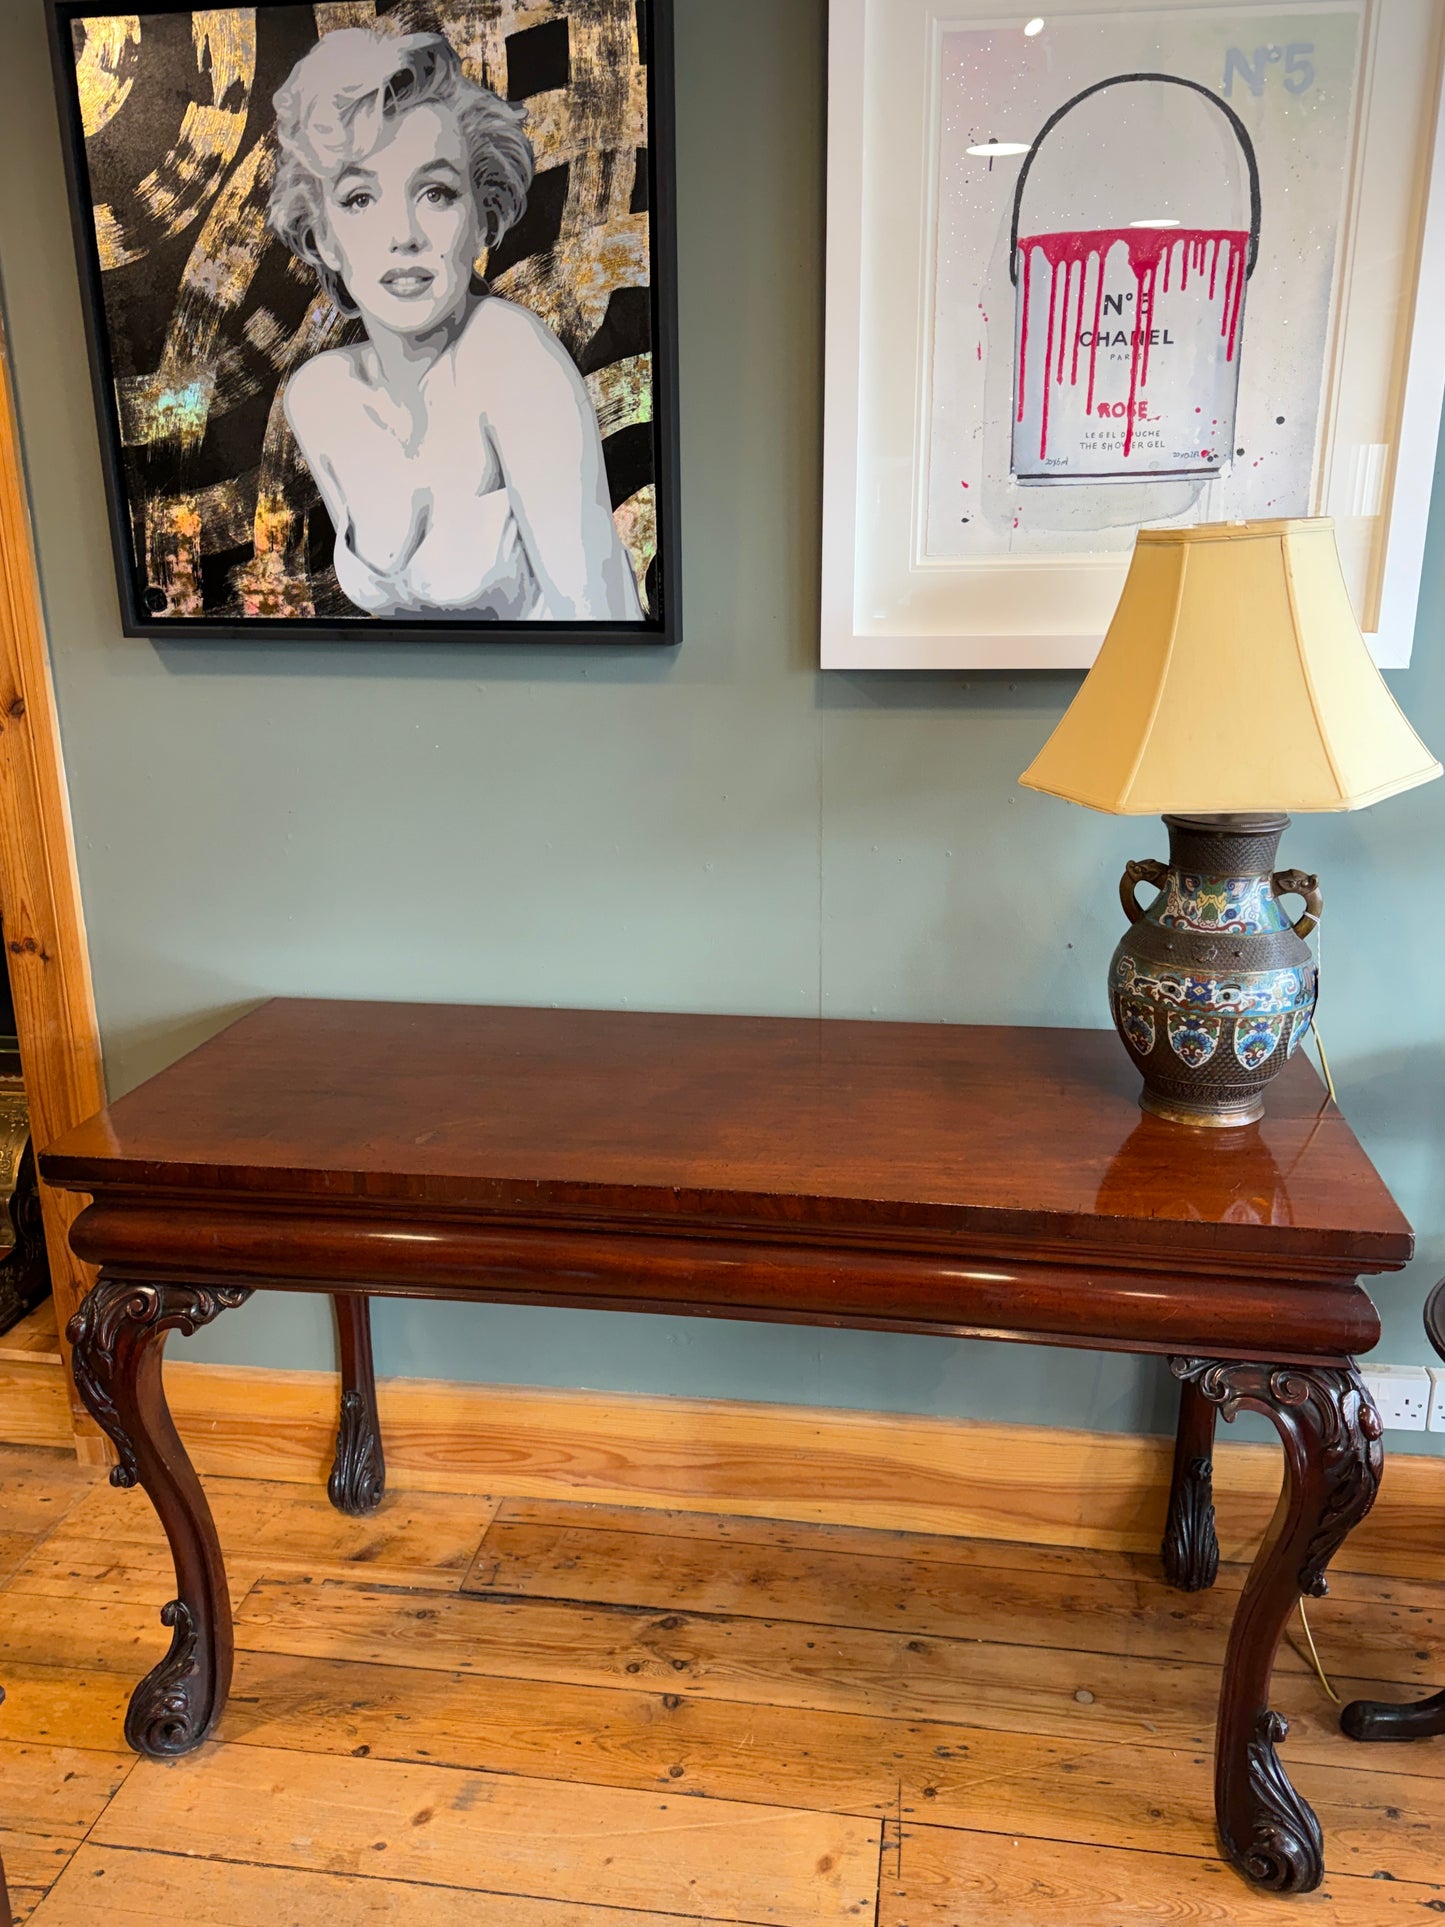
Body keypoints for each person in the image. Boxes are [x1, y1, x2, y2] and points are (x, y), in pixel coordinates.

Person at [267, 27, 643, 622]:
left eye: (436, 192)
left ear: (480, 217)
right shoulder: (317, 398)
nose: (404, 235)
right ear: (323, 239)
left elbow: (607, 626)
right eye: (360, 198)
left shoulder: (511, 358)